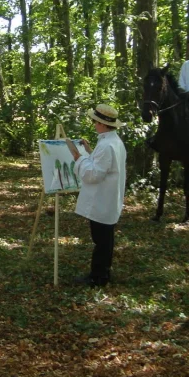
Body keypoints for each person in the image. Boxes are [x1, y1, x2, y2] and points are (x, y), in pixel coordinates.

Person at [65, 104, 126, 287]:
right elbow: (104, 166)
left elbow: (93, 175)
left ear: (102, 124)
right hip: (108, 199)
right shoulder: (113, 141)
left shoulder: (107, 145)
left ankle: (98, 277)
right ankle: (103, 273)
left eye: (95, 121)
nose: (93, 124)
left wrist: (79, 158)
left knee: (101, 241)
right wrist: (90, 152)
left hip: (103, 200)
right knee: (106, 239)